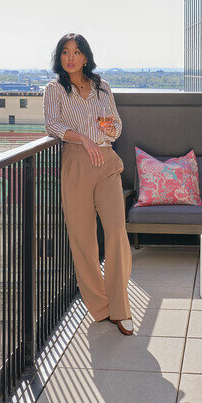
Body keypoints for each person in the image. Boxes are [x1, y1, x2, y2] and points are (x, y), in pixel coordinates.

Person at [43, 33, 134, 335]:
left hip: (106, 162)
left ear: (85, 57)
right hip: (76, 163)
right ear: (60, 58)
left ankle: (121, 307)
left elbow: (117, 126)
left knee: (117, 231)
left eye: (76, 52)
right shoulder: (54, 90)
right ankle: (101, 307)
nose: (71, 57)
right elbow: (52, 125)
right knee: (83, 239)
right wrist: (82, 137)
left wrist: (108, 128)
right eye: (65, 52)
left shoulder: (102, 87)